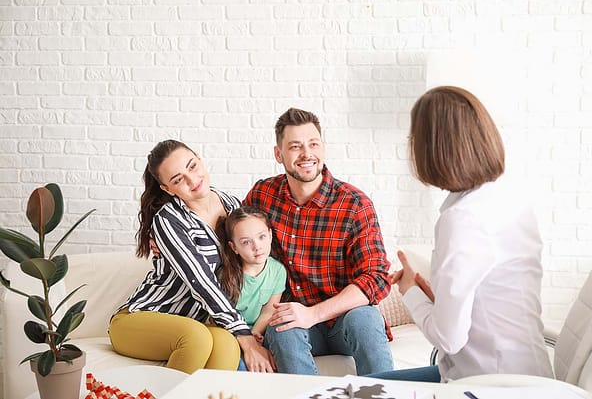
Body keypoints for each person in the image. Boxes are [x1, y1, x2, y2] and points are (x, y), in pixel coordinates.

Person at [370, 86, 554, 382]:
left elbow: (448, 338)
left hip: (489, 384)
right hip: (530, 374)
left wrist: (409, 291)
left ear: (434, 148)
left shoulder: (461, 219)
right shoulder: (512, 200)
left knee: (353, 391)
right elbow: (492, 296)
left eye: (413, 139)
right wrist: (435, 297)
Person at [243, 108, 394, 375]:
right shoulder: (263, 195)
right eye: (295, 146)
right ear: (279, 154)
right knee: (281, 325)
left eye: (313, 144)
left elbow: (376, 278)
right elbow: (230, 232)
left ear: (322, 148)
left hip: (344, 321)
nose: (306, 154)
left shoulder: (354, 204)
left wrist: (313, 314)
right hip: (297, 324)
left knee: (366, 316)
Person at [108, 140, 275, 374]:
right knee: (196, 337)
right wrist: (245, 336)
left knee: (227, 345)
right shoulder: (169, 220)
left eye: (192, 166)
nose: (191, 180)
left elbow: (255, 256)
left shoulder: (232, 205)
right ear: (167, 188)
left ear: (200, 158)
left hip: (197, 322)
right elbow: (201, 282)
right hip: (139, 319)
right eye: (178, 180)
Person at [218, 206, 287, 355]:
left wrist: (255, 333)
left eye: (261, 237)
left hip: (259, 331)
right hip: (230, 334)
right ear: (234, 247)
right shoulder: (226, 275)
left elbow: (268, 311)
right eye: (246, 242)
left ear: (270, 235)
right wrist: (244, 338)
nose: (257, 247)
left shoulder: (278, 271)